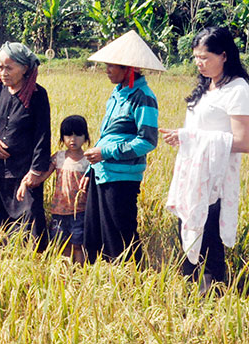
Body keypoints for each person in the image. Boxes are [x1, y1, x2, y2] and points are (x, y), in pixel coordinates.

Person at [160, 26, 249, 291]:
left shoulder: (238, 89)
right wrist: (184, 137)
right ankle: (190, 294)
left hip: (214, 178)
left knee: (208, 239)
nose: (200, 63)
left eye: (206, 57)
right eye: (196, 57)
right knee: (188, 230)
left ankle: (212, 297)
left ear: (224, 55)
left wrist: (190, 137)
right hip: (192, 175)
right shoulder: (206, 87)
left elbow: (244, 141)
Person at [83, 30, 164, 264]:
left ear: (128, 68)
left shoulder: (143, 97)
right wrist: (92, 169)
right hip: (102, 173)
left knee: (119, 235)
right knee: (96, 233)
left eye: (112, 66)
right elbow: (108, 135)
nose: (107, 70)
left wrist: (105, 153)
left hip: (122, 177)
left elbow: (147, 141)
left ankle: (129, 282)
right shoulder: (118, 93)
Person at [0, 42, 51, 249]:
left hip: (23, 173)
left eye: (9, 68)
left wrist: (36, 171)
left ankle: (31, 264)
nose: (3, 72)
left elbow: (42, 135)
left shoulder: (37, 95)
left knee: (28, 225)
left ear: (25, 68)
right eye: (0, 67)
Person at [17, 115, 91, 263]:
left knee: (79, 245)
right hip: (59, 211)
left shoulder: (89, 160)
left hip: (81, 211)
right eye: (68, 135)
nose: (73, 139)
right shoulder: (59, 157)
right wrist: (25, 183)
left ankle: (79, 276)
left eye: (78, 135)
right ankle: (63, 276)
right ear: (62, 137)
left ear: (86, 137)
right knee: (61, 245)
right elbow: (41, 175)